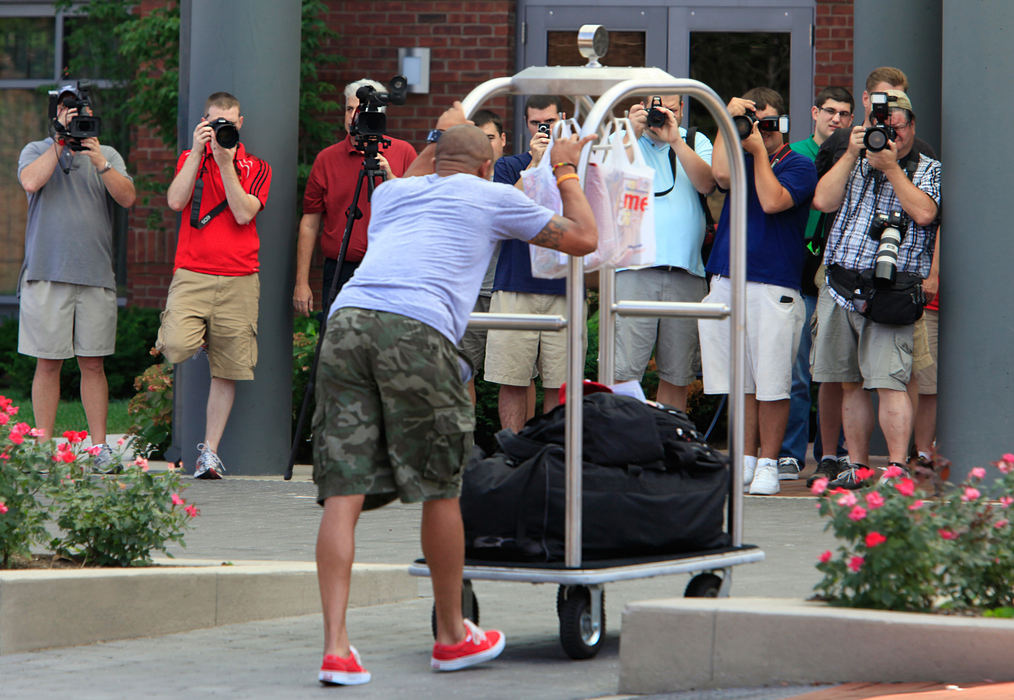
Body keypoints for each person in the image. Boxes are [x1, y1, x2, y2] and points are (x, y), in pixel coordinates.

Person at [312, 104, 597, 685]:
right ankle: (450, 637)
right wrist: (566, 171)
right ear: (490, 165)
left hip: (346, 324)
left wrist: (441, 134)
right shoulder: (494, 196)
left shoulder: (395, 195)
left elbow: (425, 167)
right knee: (441, 488)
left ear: (435, 157)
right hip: (417, 330)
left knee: (343, 492)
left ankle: (337, 649)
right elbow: (584, 239)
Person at [805, 66, 939, 489]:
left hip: (890, 292)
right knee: (849, 384)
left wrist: (893, 168)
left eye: (897, 129)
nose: (890, 136)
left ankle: (897, 468)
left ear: (912, 127)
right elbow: (823, 202)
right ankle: (858, 464)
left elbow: (925, 213)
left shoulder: (928, 167)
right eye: (884, 127)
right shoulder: (854, 156)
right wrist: (851, 155)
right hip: (841, 286)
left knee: (890, 383)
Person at [698, 87, 817, 495]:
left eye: (768, 124)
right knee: (740, 380)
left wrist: (760, 153)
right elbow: (721, 176)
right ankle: (745, 457)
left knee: (772, 381)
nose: (759, 131)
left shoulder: (799, 165)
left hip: (774, 284)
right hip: (727, 276)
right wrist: (725, 120)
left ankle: (768, 460)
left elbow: (772, 201)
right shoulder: (740, 156)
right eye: (752, 123)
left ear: (782, 124)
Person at [16, 83, 136, 470]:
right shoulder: (36, 150)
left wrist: (100, 161)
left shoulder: (108, 154)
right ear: (55, 115)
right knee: (48, 363)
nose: (74, 116)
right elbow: (31, 182)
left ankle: (99, 448)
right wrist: (58, 143)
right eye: (67, 110)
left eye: (79, 110)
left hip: (96, 275)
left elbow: (128, 197)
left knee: (93, 364)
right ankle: (44, 449)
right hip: (47, 273)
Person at [159, 91, 272, 479]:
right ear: (204, 122)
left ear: (240, 123)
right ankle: (194, 333)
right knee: (176, 345)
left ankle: (209, 453)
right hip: (193, 271)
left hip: (240, 276)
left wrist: (226, 163)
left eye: (228, 122)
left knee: (228, 370)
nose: (222, 127)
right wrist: (196, 153)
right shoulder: (190, 159)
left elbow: (243, 213)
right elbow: (175, 201)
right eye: (214, 121)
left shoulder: (257, 166)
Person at [613, 94, 715, 412]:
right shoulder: (623, 137)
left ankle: (670, 449)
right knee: (623, 372)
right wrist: (629, 132)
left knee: (678, 375)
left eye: (670, 110)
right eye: (656, 110)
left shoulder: (695, 140)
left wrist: (676, 142)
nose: (663, 116)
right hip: (633, 270)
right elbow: (602, 179)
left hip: (685, 272)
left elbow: (707, 184)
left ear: (682, 110)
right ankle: (621, 448)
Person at [776, 86, 854, 480]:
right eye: (829, 111)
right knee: (797, 371)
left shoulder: (858, 157)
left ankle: (833, 453)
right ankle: (790, 453)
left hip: (840, 274)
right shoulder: (795, 155)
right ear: (814, 112)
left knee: (834, 370)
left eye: (844, 113)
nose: (836, 119)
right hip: (797, 269)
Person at [293, 79, 417, 317]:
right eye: (349, 109)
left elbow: (419, 210)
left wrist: (390, 176)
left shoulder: (404, 153)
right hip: (341, 270)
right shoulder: (326, 159)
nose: (353, 116)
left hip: (391, 270)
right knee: (339, 344)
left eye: (360, 110)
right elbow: (310, 223)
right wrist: (302, 282)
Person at [484, 95, 571, 432]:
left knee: (558, 382)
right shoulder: (508, 166)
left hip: (564, 287)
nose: (542, 129)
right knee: (512, 379)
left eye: (548, 122)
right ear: (526, 124)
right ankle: (512, 452)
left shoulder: (575, 166)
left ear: (562, 120)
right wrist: (534, 166)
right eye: (536, 123)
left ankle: (551, 454)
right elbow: (503, 215)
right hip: (515, 283)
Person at [458, 109, 507, 403]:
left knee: (516, 376)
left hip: (506, 288)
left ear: (503, 140)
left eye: (490, 138)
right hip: (470, 291)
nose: (486, 145)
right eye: (479, 139)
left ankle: (516, 447)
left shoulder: (518, 172)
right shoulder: (459, 181)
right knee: (463, 372)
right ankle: (466, 446)